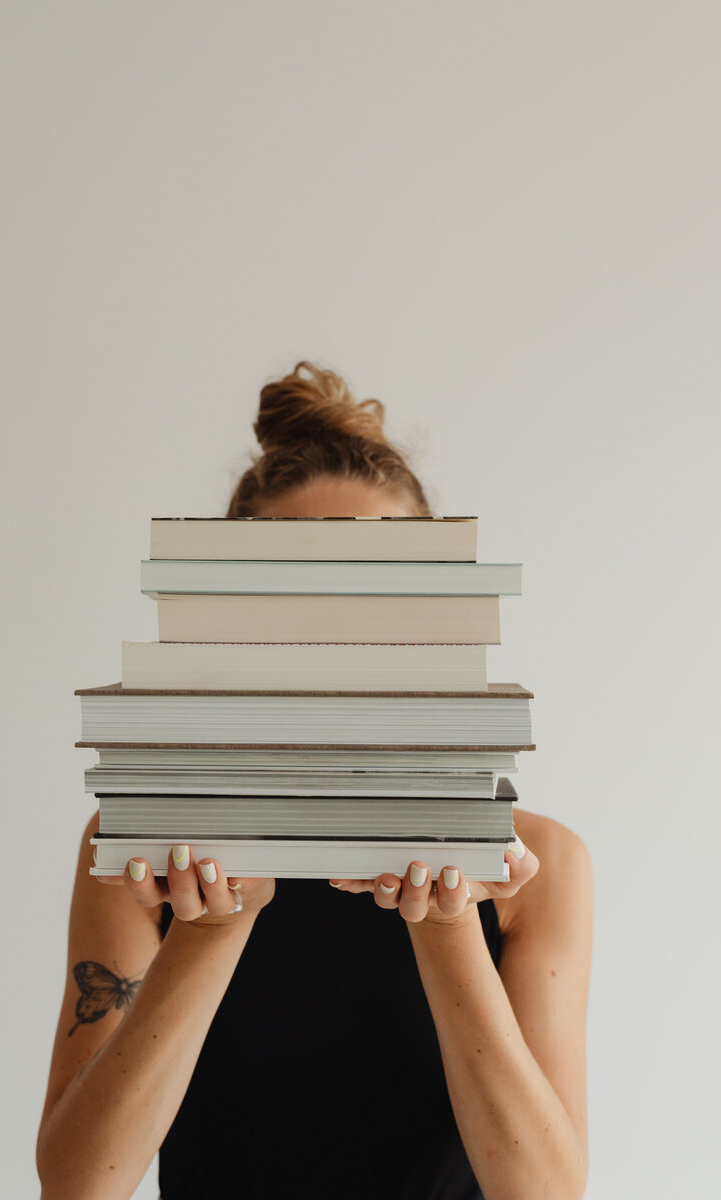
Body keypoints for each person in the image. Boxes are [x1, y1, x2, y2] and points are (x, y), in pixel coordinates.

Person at [36, 361, 592, 1200]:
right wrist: (212, 930)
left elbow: (545, 1192)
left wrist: (445, 930)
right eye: (298, 593)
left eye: (380, 592)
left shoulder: (535, 865)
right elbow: (78, 1184)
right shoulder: (145, 849)